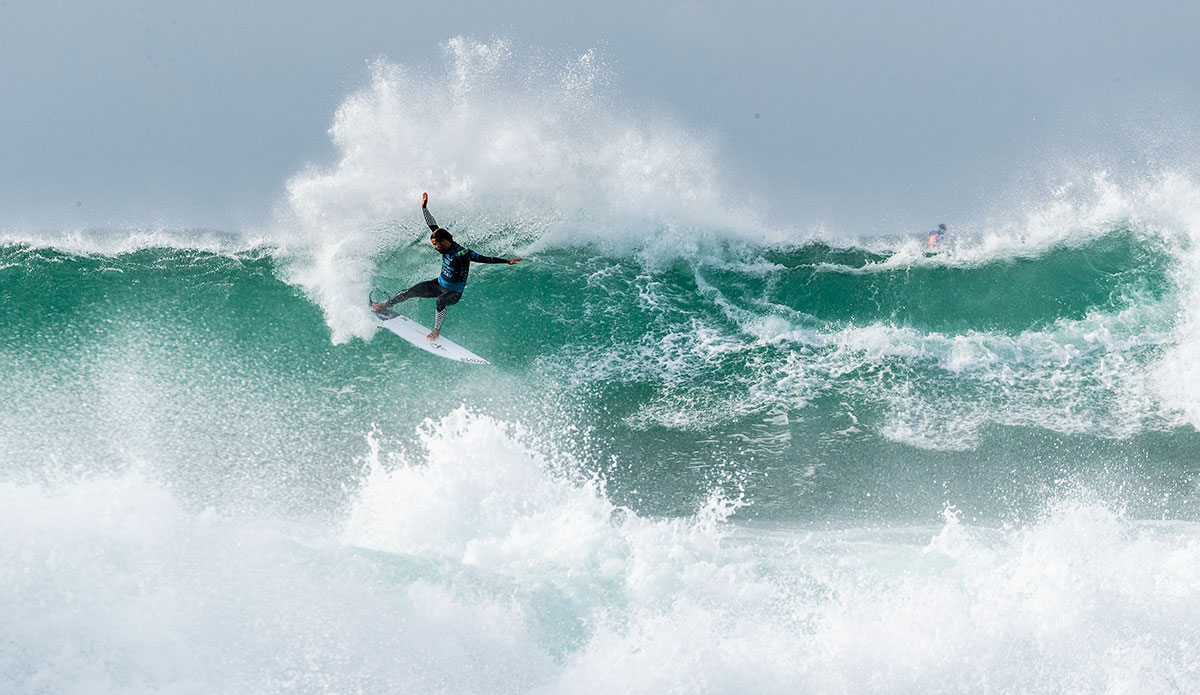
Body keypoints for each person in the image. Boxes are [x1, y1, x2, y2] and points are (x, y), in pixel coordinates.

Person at [371, 192, 523, 340]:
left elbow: (484, 259)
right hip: (438, 284)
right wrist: (424, 208)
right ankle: (385, 305)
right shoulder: (442, 240)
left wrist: (506, 261)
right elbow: (432, 225)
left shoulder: (462, 253)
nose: (435, 247)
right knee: (410, 291)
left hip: (453, 292)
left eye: (436, 245)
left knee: (440, 301)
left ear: (443, 241)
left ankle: (436, 331)